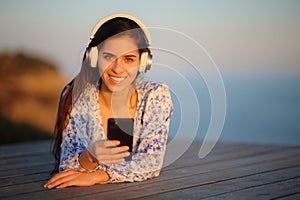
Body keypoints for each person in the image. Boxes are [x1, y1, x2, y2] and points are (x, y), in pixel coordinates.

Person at [44, 14, 173, 189]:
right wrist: (89, 156)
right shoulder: (77, 95)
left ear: (144, 62)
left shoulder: (155, 97)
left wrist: (100, 175)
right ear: (94, 58)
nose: (117, 69)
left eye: (129, 59)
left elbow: (151, 163)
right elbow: (68, 169)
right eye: (109, 57)